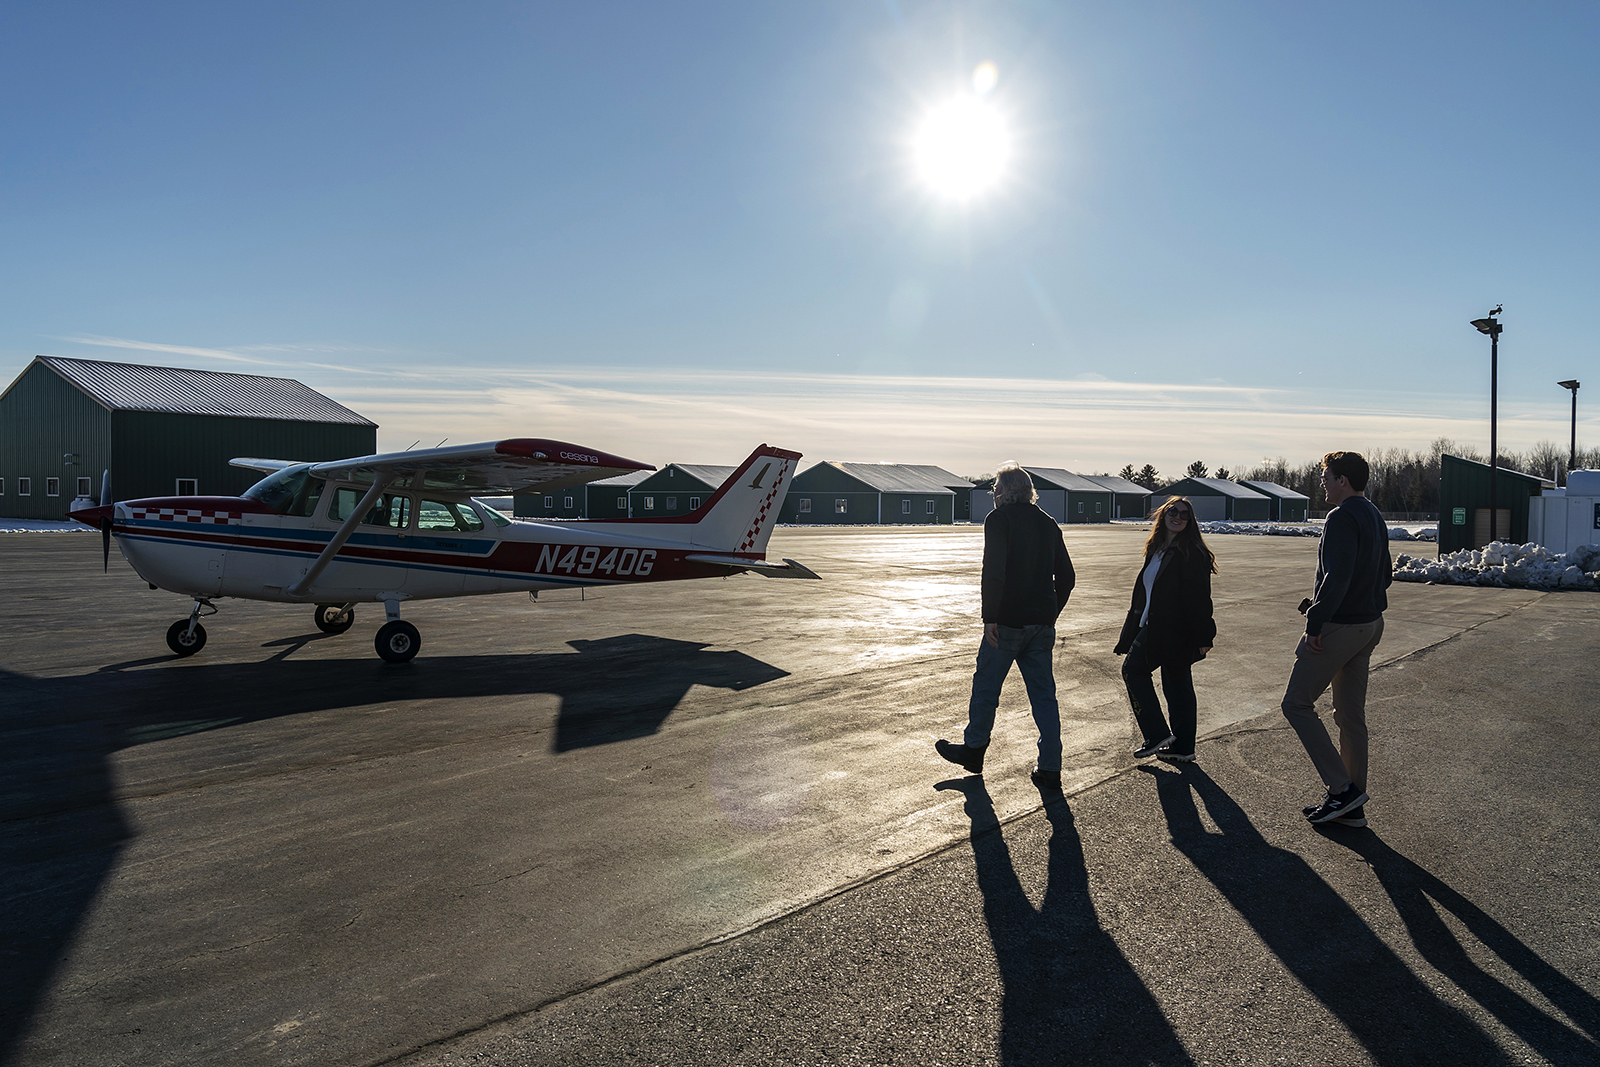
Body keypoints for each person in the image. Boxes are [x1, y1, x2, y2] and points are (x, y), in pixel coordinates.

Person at [936, 464, 1076, 791]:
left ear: (1003, 491)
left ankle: (974, 750)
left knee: (987, 686)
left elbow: (994, 571)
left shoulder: (998, 520)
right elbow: (1067, 579)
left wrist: (990, 617)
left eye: (995, 488)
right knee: (1044, 698)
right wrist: (1051, 613)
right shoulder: (1048, 523)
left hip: (1007, 623)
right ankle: (1050, 767)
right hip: (1041, 625)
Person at [1283, 451, 1393, 826]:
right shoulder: (1374, 514)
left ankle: (1341, 790)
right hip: (1370, 625)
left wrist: (1315, 622)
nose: (1324, 484)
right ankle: (1351, 806)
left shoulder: (1341, 516)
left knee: (1296, 703)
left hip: (1341, 627)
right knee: (1349, 716)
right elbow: (1387, 573)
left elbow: (1336, 577)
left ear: (1343, 480)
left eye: (1327, 477)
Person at [1113, 496, 1217, 763]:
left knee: (1133, 670)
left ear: (1190, 521)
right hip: (1154, 624)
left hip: (1172, 628)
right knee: (1177, 683)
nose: (1178, 517)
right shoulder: (1157, 548)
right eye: (1173, 511)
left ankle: (1157, 733)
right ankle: (1183, 747)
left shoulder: (1192, 552)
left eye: (1185, 514)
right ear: (1164, 514)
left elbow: (1199, 597)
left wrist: (1205, 635)